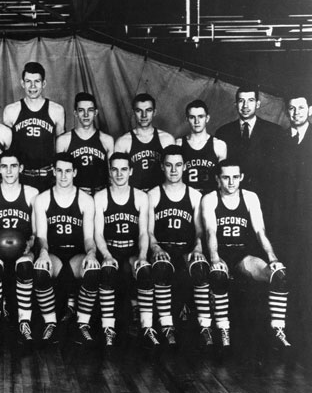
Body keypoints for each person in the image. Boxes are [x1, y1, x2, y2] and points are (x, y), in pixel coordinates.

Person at [201, 159, 290, 348]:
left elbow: (260, 231)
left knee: (278, 274)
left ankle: (278, 329)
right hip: (219, 252)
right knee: (218, 274)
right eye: (226, 177)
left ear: (241, 177)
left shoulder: (250, 197)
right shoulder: (210, 198)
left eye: (235, 177)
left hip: (242, 255)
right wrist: (215, 258)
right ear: (217, 179)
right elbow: (210, 231)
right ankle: (223, 329)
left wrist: (272, 257)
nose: (231, 182)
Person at [147, 145, 212, 347]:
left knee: (200, 267)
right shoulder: (153, 194)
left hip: (186, 249)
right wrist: (156, 248)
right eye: (169, 165)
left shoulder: (194, 195)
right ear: (162, 167)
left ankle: (205, 326)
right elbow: (148, 231)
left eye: (178, 165)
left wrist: (198, 248)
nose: (173, 170)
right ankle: (166, 325)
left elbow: (199, 231)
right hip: (163, 250)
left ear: (185, 166)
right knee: (162, 267)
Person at [32, 153, 98, 345]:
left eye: (68, 171)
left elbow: (89, 237)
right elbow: (42, 236)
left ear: (74, 172)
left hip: (77, 254)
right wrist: (43, 253)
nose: (63, 176)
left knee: (93, 270)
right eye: (59, 170)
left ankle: (83, 324)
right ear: (53, 171)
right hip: (54, 253)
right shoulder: (42, 199)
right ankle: (50, 323)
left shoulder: (86, 199)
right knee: (40, 269)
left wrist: (91, 253)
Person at [93, 153, 155, 348]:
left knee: (143, 270)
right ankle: (108, 328)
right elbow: (98, 234)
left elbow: (143, 232)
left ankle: (146, 325)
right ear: (109, 172)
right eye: (114, 169)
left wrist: (142, 256)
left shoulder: (141, 197)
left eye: (123, 169)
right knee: (108, 271)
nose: (119, 174)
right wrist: (106, 255)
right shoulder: (100, 197)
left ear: (131, 171)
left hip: (132, 251)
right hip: (110, 249)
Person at [0, 150, 39, 344]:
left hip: (23, 249)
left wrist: (30, 243)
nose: (9, 171)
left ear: (21, 168)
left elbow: (36, 230)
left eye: (13, 166)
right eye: (4, 166)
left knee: (25, 266)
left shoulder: (32, 193)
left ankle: (25, 321)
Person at [214, 86, 282, 218]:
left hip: (265, 200)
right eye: (241, 101)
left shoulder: (274, 132)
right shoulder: (223, 132)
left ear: (258, 104)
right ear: (235, 104)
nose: (245, 106)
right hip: (233, 199)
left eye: (250, 100)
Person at [280, 92, 312, 349]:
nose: (296, 113)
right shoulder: (279, 140)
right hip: (288, 223)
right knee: (291, 275)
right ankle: (290, 334)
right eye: (291, 108)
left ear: (309, 110)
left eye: (301, 108)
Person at [3, 62, 65, 192]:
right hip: (20, 178)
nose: (32, 86)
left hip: (48, 178)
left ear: (44, 83)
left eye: (37, 81)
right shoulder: (11, 111)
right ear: (22, 83)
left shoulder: (56, 110)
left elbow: (61, 150)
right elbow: (7, 152)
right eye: (28, 81)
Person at [56, 92, 115, 196]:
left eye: (90, 110)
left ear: (96, 112)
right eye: (81, 110)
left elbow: (112, 175)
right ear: (75, 113)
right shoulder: (63, 140)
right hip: (74, 196)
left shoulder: (107, 140)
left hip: (100, 195)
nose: (86, 114)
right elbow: (59, 176)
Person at [114, 93, 174, 192]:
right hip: (134, 196)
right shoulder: (123, 142)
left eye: (148, 110)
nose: (144, 115)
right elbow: (116, 177)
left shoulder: (167, 139)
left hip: (160, 196)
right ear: (133, 112)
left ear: (154, 112)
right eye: (139, 111)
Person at [176, 100, 227, 193]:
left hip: (211, 197)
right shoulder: (179, 144)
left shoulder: (219, 145)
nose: (197, 121)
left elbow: (224, 178)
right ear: (187, 119)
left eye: (200, 116)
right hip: (186, 198)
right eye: (192, 117)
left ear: (207, 118)